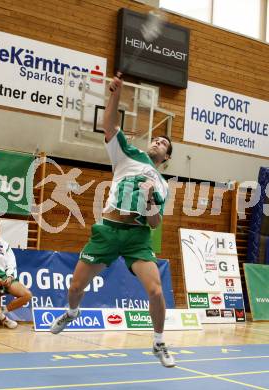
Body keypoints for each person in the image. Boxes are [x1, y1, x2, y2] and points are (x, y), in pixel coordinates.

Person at [50, 76, 175, 367]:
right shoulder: (128, 155)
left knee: (155, 291)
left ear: (166, 157)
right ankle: (71, 313)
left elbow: (155, 223)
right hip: (107, 231)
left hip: (136, 236)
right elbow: (109, 126)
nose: (157, 142)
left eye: (163, 143)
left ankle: (159, 342)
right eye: (156, 139)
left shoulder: (162, 185)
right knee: (75, 288)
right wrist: (115, 95)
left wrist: (148, 203)